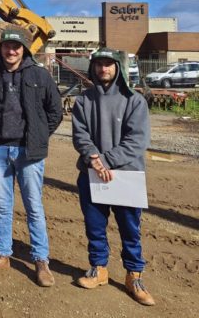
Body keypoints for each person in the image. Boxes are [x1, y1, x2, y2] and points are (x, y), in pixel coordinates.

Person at [0, 29, 62, 287]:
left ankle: (41, 260)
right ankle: (3, 255)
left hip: (28, 151)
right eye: (7, 46)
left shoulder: (39, 75)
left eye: (16, 47)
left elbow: (55, 111)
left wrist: (38, 135)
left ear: (24, 49)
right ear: (1, 48)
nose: (11, 51)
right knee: (3, 204)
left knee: (34, 206)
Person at [71, 49, 155, 306]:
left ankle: (134, 275)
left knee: (130, 230)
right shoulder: (84, 101)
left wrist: (104, 161)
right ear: (93, 68)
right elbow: (80, 135)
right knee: (95, 226)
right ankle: (99, 269)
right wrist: (94, 159)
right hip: (91, 175)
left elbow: (137, 141)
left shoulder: (134, 101)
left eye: (108, 64)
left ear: (117, 68)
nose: (103, 68)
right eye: (99, 64)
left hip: (126, 176)